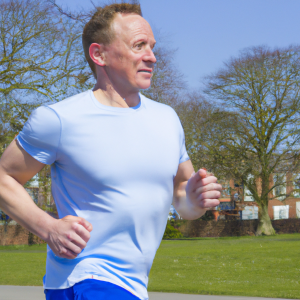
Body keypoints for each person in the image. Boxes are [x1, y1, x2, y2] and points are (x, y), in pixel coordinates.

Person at [0, 3, 222, 300]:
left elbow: (181, 197)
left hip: (132, 285)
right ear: (99, 54)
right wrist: (47, 226)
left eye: (152, 47)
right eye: (138, 45)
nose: (152, 57)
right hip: (84, 278)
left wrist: (195, 199)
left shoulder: (167, 119)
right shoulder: (59, 120)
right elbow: (4, 177)